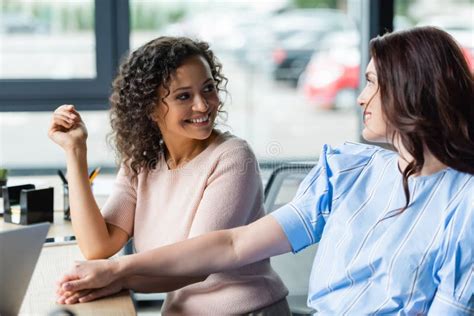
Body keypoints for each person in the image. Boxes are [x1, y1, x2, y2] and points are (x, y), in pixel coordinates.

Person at [56, 27, 474, 314]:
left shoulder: (466, 203)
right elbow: (234, 246)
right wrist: (115, 271)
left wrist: (119, 273)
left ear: (410, 91)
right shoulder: (351, 173)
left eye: (370, 82)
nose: (360, 98)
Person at [48, 36, 290, 315]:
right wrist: (75, 152)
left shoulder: (233, 156)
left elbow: (198, 264)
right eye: (183, 96)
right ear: (150, 107)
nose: (203, 106)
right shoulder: (141, 163)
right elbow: (98, 246)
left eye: (208, 88)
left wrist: (115, 275)